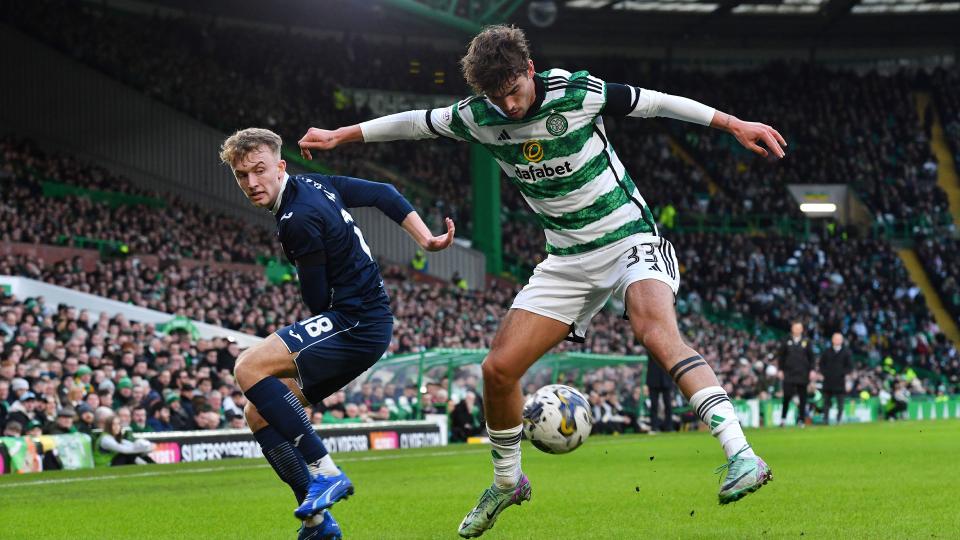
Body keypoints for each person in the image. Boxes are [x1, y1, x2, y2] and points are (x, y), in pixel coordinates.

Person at [299, 25, 783, 536]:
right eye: (496, 96)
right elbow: (416, 123)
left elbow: (658, 103)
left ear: (530, 71)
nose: (508, 105)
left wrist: (733, 124)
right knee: (498, 370)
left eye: (514, 90)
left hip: (628, 239)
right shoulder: (478, 115)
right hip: (566, 259)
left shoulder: (579, 93)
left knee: (655, 331)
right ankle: (508, 482)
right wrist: (340, 135)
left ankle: (742, 454)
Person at [219, 127, 455, 539]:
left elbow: (315, 300)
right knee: (257, 412)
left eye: (259, 170)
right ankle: (317, 523)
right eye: (242, 175)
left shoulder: (297, 218)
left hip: (355, 322)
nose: (252, 183)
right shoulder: (315, 183)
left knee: (248, 368)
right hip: (366, 321)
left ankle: (325, 472)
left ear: (280, 166)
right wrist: (426, 239)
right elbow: (382, 192)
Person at [779, 322, 815, 427]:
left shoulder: (807, 341)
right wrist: (780, 370)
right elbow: (781, 356)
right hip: (789, 373)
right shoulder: (786, 340)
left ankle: (801, 420)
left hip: (803, 373)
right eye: (795, 328)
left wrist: (812, 370)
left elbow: (811, 357)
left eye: (799, 328)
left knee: (803, 397)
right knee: (787, 396)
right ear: (792, 329)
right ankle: (783, 419)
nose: (797, 330)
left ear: (802, 329)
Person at [819, 332, 852, 425]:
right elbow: (821, 364)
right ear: (832, 340)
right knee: (826, 402)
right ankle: (825, 419)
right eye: (835, 339)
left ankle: (839, 419)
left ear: (842, 341)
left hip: (840, 381)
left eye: (839, 339)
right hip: (828, 381)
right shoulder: (826, 351)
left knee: (840, 402)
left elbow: (849, 367)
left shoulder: (846, 352)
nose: (837, 341)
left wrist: (843, 374)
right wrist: (824, 373)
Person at [645, 356, 675, 433]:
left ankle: (669, 426)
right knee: (654, 405)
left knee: (668, 404)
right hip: (653, 379)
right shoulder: (651, 346)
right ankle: (654, 427)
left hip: (665, 379)